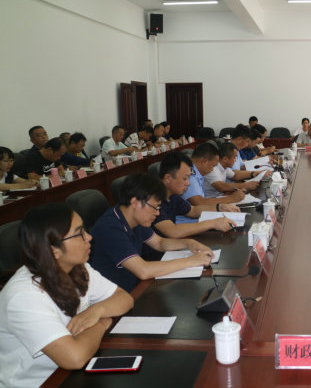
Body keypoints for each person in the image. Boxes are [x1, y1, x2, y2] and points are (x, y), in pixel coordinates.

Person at [0, 203, 133, 387]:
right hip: (42, 382)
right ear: (53, 250)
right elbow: (75, 358)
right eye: (79, 234)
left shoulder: (76, 267)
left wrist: (96, 311)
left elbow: (124, 298)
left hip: (71, 373)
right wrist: (102, 322)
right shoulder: (23, 297)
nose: (89, 237)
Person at [89, 173, 214, 292]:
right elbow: (143, 270)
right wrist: (190, 261)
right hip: (116, 298)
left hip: (133, 288)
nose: (157, 213)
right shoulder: (110, 228)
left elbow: (159, 243)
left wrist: (189, 243)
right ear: (135, 203)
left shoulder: (134, 217)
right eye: (155, 207)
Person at [153, 152, 238, 236]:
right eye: (185, 178)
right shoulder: (153, 198)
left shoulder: (172, 195)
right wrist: (213, 223)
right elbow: (172, 231)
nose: (188, 183)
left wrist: (220, 207)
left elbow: (192, 210)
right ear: (168, 178)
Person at [179, 142, 246, 214]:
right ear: (204, 161)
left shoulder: (196, 172)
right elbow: (199, 203)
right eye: (212, 165)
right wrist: (232, 198)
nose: (212, 170)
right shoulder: (189, 176)